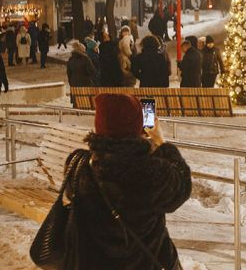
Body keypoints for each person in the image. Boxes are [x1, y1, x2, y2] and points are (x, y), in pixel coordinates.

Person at [59, 93, 191, 269]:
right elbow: (181, 186)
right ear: (137, 126)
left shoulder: (79, 166)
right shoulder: (152, 173)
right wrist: (161, 141)